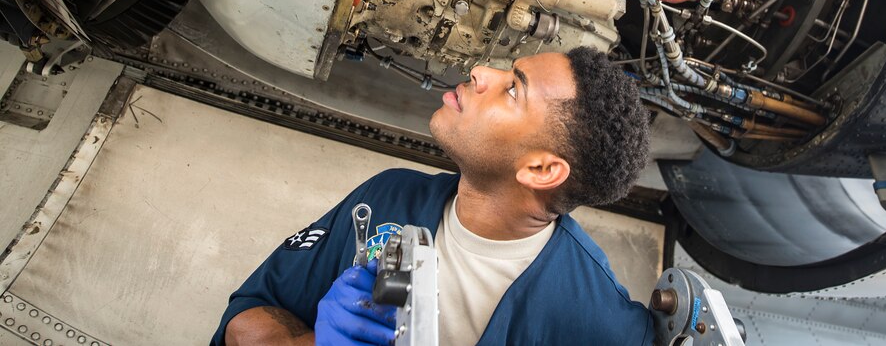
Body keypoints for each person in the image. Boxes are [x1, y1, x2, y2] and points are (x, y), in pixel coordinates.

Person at [212, 46, 654, 345]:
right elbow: (245, 320)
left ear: (540, 170)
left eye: (513, 88)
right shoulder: (388, 195)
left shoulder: (596, 320)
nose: (481, 72)